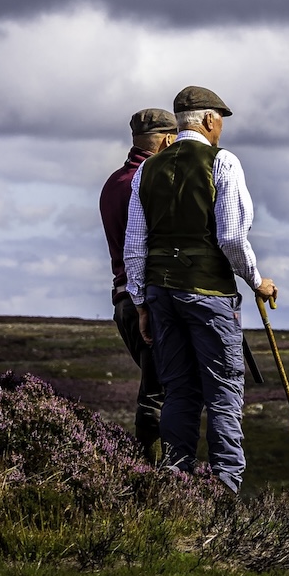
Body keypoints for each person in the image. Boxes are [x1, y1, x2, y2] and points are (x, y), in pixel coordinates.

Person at [122, 85, 278, 493]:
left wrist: (141, 303)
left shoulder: (147, 170)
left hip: (160, 294)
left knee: (178, 389)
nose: (221, 126)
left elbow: (134, 246)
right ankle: (225, 488)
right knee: (224, 391)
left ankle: (177, 483)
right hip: (209, 294)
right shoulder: (222, 162)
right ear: (209, 120)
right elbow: (231, 237)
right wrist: (256, 280)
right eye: (220, 119)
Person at [99, 107, 176, 462]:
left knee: (156, 386)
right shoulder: (150, 184)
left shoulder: (112, 183)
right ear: (167, 140)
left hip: (123, 302)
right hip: (148, 301)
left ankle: (153, 471)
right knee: (159, 393)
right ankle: (152, 474)